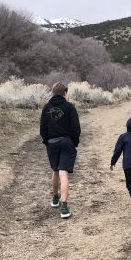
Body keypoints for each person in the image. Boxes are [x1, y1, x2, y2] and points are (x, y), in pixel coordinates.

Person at [40, 82, 81, 219]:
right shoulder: (69, 107)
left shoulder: (46, 108)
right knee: (64, 173)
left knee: (55, 171)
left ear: (53, 92)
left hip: (52, 143)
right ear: (64, 92)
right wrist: (74, 143)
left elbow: (43, 128)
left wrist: (47, 142)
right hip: (66, 142)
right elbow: (76, 128)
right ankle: (64, 208)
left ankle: (55, 199)